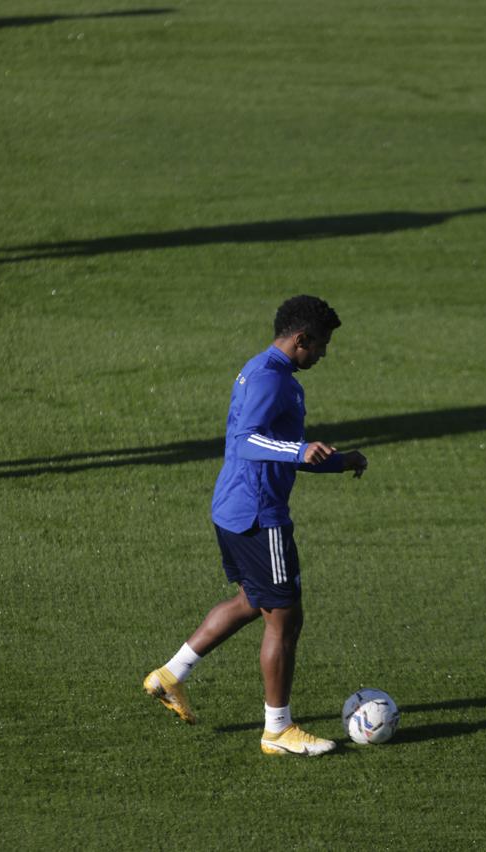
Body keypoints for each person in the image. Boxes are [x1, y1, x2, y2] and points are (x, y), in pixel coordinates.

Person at [144, 295, 367, 756]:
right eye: (321, 345)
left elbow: (276, 445)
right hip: (259, 516)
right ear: (300, 339)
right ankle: (278, 730)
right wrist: (299, 451)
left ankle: (169, 675)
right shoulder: (271, 378)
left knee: (251, 600)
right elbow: (248, 441)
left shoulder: (263, 369)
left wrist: (336, 461)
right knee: (285, 619)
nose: (323, 354)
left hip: (233, 506)